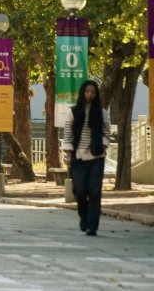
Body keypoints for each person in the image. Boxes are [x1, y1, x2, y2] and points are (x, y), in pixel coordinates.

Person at [64, 79, 110, 235]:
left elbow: (106, 133)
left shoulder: (102, 113)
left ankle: (92, 226)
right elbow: (68, 134)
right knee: (80, 191)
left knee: (95, 191)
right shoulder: (73, 112)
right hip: (78, 157)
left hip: (97, 157)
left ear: (96, 95)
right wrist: (69, 154)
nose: (89, 94)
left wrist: (102, 145)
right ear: (83, 93)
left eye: (93, 92)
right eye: (87, 91)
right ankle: (84, 215)